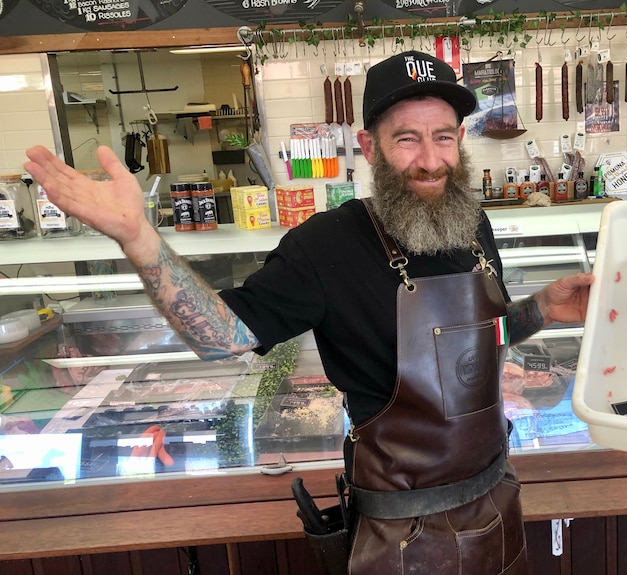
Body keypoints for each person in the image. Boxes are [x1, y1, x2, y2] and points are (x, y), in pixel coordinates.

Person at [25, 50, 593, 575]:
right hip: (401, 531)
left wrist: (541, 308)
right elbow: (223, 338)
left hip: (497, 499)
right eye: (406, 140)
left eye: (443, 138)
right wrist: (139, 238)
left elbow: (481, 345)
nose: (430, 160)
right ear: (369, 147)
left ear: (460, 138)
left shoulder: (473, 224)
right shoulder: (326, 246)